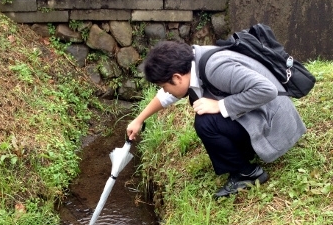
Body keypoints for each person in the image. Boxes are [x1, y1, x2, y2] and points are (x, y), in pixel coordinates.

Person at [126, 40, 306, 198]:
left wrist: (220, 106)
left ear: (177, 77)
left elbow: (267, 90)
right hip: (263, 113)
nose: (165, 91)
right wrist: (139, 119)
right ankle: (244, 154)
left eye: (164, 86)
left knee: (206, 122)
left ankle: (247, 174)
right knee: (208, 116)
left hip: (277, 125)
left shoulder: (215, 67)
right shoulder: (193, 62)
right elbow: (168, 96)